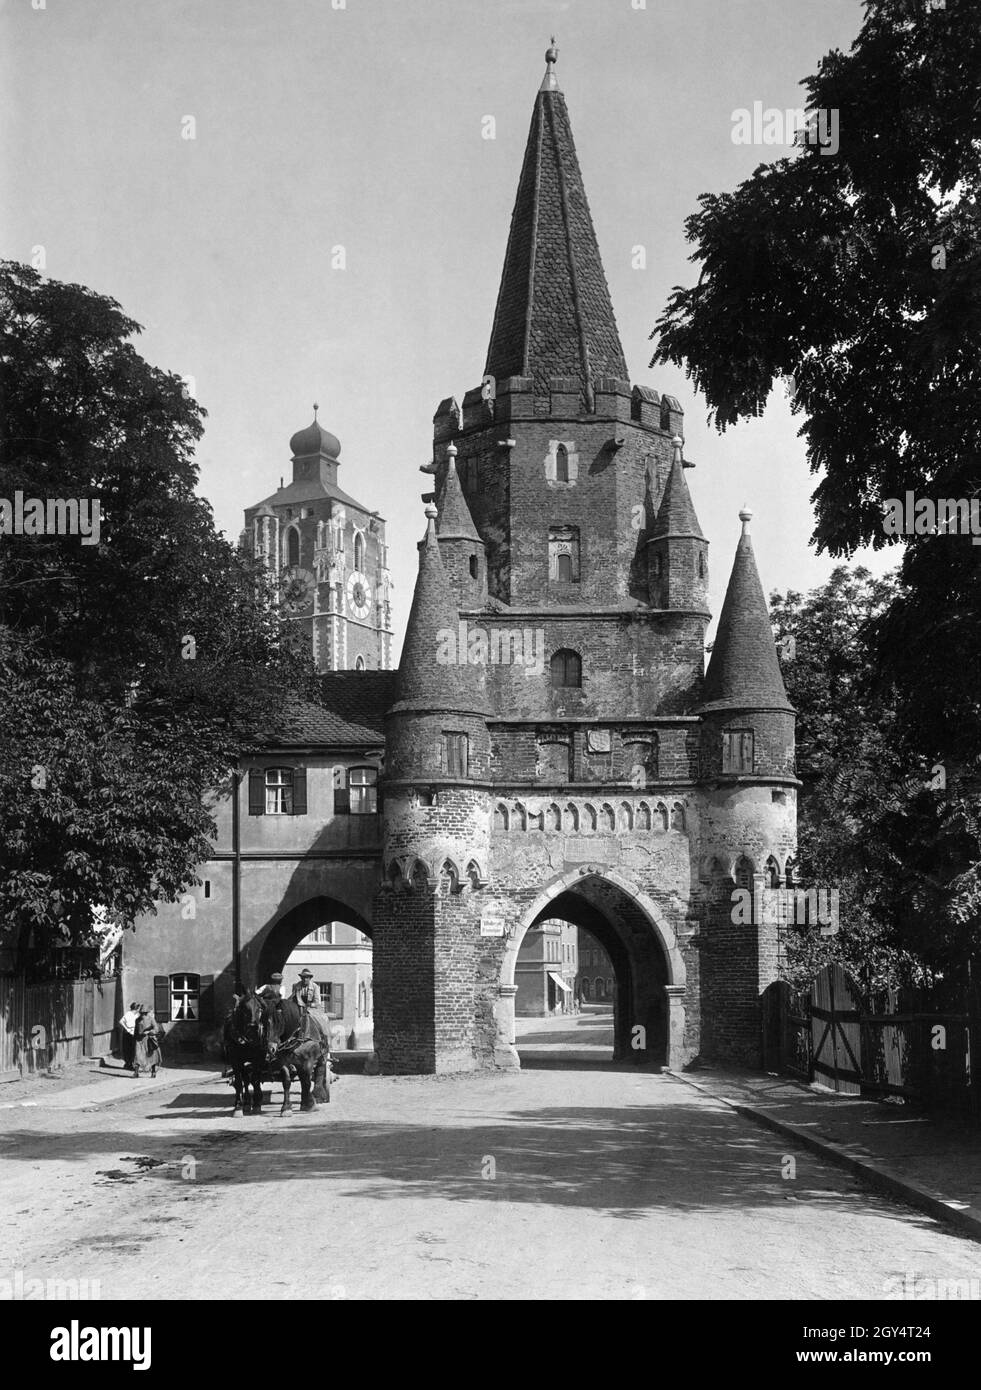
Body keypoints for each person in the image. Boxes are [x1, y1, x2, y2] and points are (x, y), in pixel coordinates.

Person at [133, 1006, 161, 1078]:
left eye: (144, 1013)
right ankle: (136, 1072)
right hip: (139, 1040)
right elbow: (135, 1030)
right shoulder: (137, 1020)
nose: (142, 1015)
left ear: (146, 1013)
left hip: (149, 1040)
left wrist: (149, 1032)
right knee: (137, 1055)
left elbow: (156, 1029)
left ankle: (153, 1072)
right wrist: (135, 1037)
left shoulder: (151, 1019)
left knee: (151, 1056)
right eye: (141, 1013)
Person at [117, 1002, 139, 1070]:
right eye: (137, 1009)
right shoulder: (128, 1014)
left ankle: (130, 1063)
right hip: (127, 1033)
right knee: (127, 1049)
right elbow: (121, 1021)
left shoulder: (136, 1015)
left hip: (133, 1033)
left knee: (132, 1049)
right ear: (135, 1008)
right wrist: (127, 1028)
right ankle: (128, 1063)